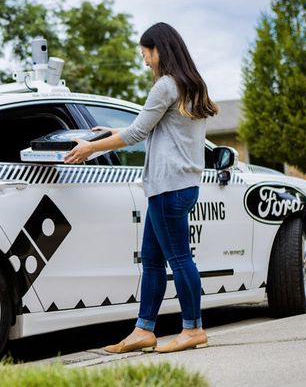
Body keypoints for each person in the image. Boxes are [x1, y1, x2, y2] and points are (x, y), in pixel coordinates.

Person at [64, 22, 218, 353]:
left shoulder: (165, 85)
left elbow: (136, 134)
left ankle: (193, 329)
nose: (145, 61)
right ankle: (144, 330)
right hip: (180, 186)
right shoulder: (191, 85)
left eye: (145, 54)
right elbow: (150, 127)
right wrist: (111, 131)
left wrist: (90, 148)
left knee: (178, 259)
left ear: (159, 50)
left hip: (168, 188)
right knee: (151, 258)